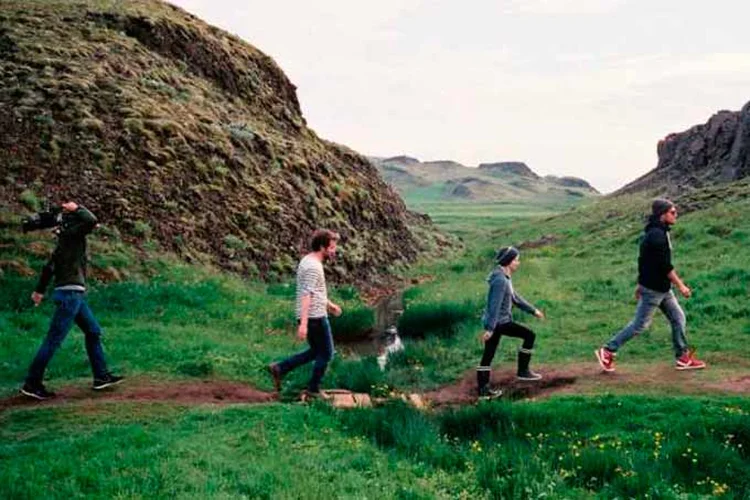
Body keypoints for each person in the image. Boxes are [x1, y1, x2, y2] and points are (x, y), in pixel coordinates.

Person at [20, 202, 123, 400]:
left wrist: (39, 290)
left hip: (72, 295)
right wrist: (76, 208)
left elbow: (48, 268)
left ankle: (101, 376)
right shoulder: (73, 236)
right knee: (53, 340)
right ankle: (32, 383)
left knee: (93, 331)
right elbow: (91, 220)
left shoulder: (64, 241)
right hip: (71, 295)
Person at [596, 199, 706, 372]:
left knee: (678, 318)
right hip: (654, 289)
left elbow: (644, 261)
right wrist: (681, 286)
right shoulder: (657, 235)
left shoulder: (658, 232)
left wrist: (640, 284)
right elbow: (665, 266)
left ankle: (682, 357)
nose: (676, 215)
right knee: (640, 325)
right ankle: (608, 350)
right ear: (663, 214)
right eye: (672, 212)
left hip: (662, 288)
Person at [268, 229, 342, 399]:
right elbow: (306, 295)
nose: (334, 251)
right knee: (327, 354)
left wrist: (330, 305)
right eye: (331, 247)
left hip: (316, 314)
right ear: (322, 247)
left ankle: (280, 368)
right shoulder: (313, 267)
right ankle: (313, 390)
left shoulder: (308, 260)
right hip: (315, 317)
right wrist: (304, 324)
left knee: (316, 351)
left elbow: (314, 291)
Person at [477, 246, 545, 399]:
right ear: (508, 261)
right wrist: (490, 329)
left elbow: (515, 298)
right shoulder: (500, 280)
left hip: (498, 323)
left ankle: (483, 391)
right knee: (529, 335)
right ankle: (523, 372)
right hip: (499, 323)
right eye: (516, 260)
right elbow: (494, 305)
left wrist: (533, 311)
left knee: (488, 355)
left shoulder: (504, 276)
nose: (518, 263)